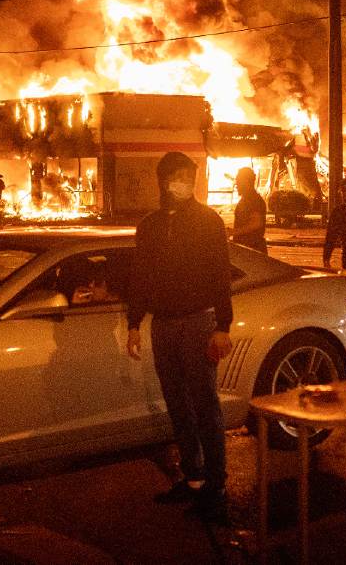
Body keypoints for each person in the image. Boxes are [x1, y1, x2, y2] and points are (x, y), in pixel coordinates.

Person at [125, 151, 234, 523]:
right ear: (163, 181)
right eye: (175, 176)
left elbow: (221, 275)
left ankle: (216, 487)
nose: (182, 182)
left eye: (188, 175)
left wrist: (223, 326)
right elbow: (140, 276)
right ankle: (193, 478)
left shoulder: (208, 221)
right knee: (177, 405)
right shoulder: (151, 224)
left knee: (205, 404)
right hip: (164, 324)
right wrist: (134, 322)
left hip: (198, 323)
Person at [228, 167, 267, 254]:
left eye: (238, 180)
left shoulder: (254, 199)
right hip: (246, 249)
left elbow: (256, 223)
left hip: (253, 251)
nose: (236, 184)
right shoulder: (246, 199)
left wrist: (233, 232)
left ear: (246, 181)